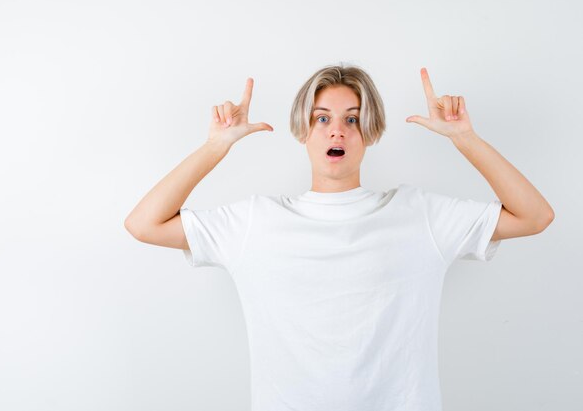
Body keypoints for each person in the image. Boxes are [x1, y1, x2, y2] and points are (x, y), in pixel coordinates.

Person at [124, 64, 554, 411]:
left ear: (369, 131)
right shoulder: (256, 223)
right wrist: (215, 147)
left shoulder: (420, 215)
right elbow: (144, 224)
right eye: (322, 119)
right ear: (303, 130)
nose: (337, 131)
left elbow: (535, 216)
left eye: (352, 119)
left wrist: (465, 138)